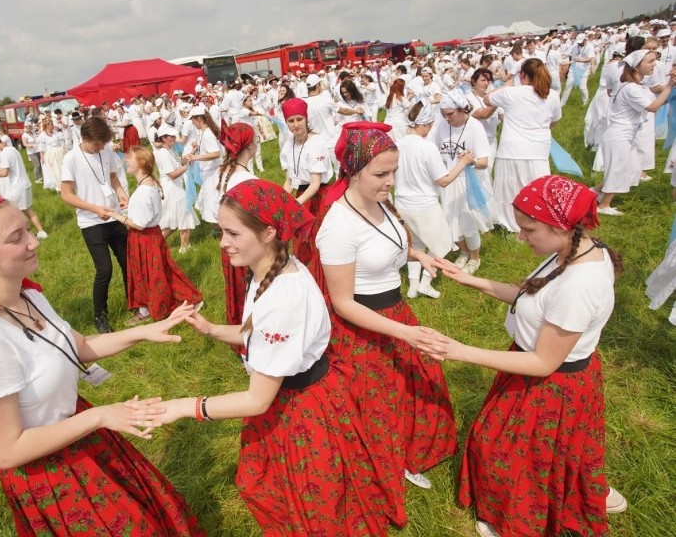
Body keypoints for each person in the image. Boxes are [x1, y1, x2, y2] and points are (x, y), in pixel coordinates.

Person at [0, 194, 203, 536]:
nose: (33, 242)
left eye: (28, 230)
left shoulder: (28, 296)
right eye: (16, 238)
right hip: (49, 472)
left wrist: (149, 331)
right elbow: (5, 451)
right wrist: (101, 415)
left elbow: (80, 346)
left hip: (80, 436)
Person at [157, 179, 398, 534]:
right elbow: (252, 331)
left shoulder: (282, 297)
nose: (223, 243)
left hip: (300, 408)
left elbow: (257, 400)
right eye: (220, 231)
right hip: (296, 395)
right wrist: (210, 329)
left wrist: (183, 407)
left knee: (313, 504)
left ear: (269, 232)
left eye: (233, 233)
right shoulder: (273, 268)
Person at [422, 175, 628, 537]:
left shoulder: (579, 285)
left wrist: (458, 350)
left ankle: (514, 524)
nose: (521, 236)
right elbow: (531, 295)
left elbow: (543, 362)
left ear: (561, 226)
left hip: (551, 385)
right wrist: (472, 280)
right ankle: (584, 491)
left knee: (502, 452)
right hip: (540, 373)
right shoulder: (570, 252)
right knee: (546, 453)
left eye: (529, 229)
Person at [318, 121, 457, 494]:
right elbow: (343, 302)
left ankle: (409, 453)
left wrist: (415, 254)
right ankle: (388, 461)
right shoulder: (338, 226)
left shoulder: (380, 204)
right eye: (381, 173)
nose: (391, 180)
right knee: (381, 401)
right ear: (352, 171)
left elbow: (380, 244)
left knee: (418, 383)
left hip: (395, 314)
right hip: (362, 326)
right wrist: (404, 332)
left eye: (394, 171)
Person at [102, 146, 202, 326]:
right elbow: (144, 214)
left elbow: (139, 224)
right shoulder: (147, 184)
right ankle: (149, 308)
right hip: (151, 236)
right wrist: (129, 207)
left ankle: (154, 309)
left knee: (149, 275)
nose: (126, 161)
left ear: (141, 163)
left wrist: (116, 215)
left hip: (144, 239)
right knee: (159, 272)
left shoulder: (144, 191)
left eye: (130, 158)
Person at [394, 102, 473, 298]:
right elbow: (443, 180)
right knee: (441, 244)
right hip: (425, 205)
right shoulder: (427, 147)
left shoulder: (396, 145)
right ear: (424, 124)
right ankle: (425, 283)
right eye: (430, 124)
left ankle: (413, 286)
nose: (430, 129)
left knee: (416, 245)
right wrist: (462, 163)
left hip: (402, 203)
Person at [60, 117, 129, 333]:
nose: (100, 148)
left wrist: (120, 193)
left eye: (103, 144)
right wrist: (94, 209)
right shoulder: (71, 158)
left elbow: (113, 176)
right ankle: (100, 315)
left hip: (114, 216)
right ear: (85, 138)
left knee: (129, 262)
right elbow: (66, 195)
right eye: (97, 144)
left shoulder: (106, 150)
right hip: (91, 222)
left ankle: (136, 302)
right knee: (104, 270)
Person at [594, 50, 675, 214]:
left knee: (632, 169)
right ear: (637, 67)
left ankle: (594, 192)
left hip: (623, 135)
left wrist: (670, 88)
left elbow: (658, 99)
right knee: (618, 169)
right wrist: (669, 85)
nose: (654, 64)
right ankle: (604, 205)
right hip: (620, 135)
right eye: (650, 61)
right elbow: (653, 107)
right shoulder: (631, 88)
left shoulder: (635, 86)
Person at [487, 58, 561, 232]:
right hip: (538, 148)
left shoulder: (512, 92)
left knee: (511, 189)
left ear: (522, 75)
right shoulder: (553, 95)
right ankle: (539, 220)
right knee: (536, 187)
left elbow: (486, 99)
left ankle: (510, 223)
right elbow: (554, 121)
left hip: (512, 149)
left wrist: (506, 84)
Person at [200, 122, 257, 347]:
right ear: (250, 146)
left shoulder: (220, 174)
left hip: (228, 242)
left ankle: (237, 329)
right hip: (248, 245)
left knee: (237, 287)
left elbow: (214, 214)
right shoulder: (246, 180)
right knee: (251, 290)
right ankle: (251, 338)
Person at [432, 91, 494, 274]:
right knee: (450, 220)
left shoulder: (474, 127)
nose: (446, 118)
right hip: (447, 180)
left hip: (469, 182)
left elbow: (484, 162)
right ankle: (464, 252)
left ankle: (475, 258)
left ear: (461, 109)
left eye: (450, 114)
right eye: (443, 114)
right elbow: (435, 152)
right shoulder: (442, 127)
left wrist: (469, 161)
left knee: (468, 221)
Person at [278, 97, 334, 298]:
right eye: (291, 121)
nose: (295, 125)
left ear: (306, 118)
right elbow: (289, 180)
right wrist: (282, 203)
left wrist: (293, 205)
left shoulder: (316, 142)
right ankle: (307, 285)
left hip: (318, 196)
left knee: (317, 240)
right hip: (301, 195)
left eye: (299, 119)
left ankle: (325, 285)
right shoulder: (288, 145)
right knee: (301, 242)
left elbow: (316, 183)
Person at [0, 131, 48, 240]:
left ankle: (28, 236)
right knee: (27, 210)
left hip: (16, 187)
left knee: (18, 215)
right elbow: (9, 168)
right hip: (24, 184)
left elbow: (4, 173)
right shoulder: (12, 149)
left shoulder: (4, 153)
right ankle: (40, 232)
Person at [153, 124, 198, 254]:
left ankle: (160, 244)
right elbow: (172, 174)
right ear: (163, 138)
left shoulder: (170, 150)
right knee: (183, 215)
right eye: (171, 136)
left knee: (177, 219)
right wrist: (188, 167)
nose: (174, 138)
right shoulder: (164, 153)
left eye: (174, 135)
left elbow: (180, 162)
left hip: (175, 188)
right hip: (172, 189)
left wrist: (193, 152)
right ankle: (183, 248)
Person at [37, 118, 65, 192]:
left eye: (52, 124)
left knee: (60, 168)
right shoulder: (42, 135)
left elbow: (61, 144)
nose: (52, 125)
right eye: (51, 124)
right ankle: (56, 185)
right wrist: (42, 157)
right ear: (46, 125)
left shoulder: (56, 133)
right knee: (52, 169)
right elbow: (41, 148)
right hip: (49, 154)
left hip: (58, 153)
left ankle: (63, 183)